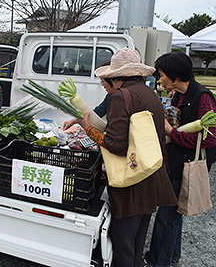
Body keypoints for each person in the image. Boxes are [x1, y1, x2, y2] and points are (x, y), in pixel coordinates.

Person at [63, 47, 177, 267]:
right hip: (150, 174)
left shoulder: (120, 97)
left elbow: (116, 144)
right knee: (137, 239)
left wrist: (88, 128)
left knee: (122, 240)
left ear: (116, 76)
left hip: (131, 180)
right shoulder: (150, 94)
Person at [143, 51, 216, 267]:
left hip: (185, 167)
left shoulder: (202, 97)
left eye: (163, 74)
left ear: (176, 75)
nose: (160, 79)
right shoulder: (178, 95)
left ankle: (157, 261)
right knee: (175, 213)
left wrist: (171, 133)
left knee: (167, 216)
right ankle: (172, 256)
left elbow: (211, 139)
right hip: (174, 164)